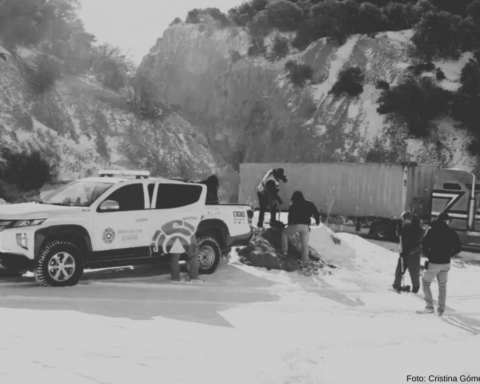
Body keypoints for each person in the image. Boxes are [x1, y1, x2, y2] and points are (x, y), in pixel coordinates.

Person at [419, 212, 461, 316]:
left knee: (425, 282)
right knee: (442, 286)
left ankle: (429, 307)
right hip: (446, 263)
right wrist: (448, 255)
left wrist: (430, 255)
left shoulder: (431, 230)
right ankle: (440, 310)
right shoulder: (451, 232)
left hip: (434, 262)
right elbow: (458, 248)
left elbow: (423, 245)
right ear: (446, 221)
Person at [281, 190, 320, 264]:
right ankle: (304, 261)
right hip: (305, 227)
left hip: (296, 225)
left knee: (284, 233)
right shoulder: (309, 203)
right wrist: (317, 221)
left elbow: (290, 217)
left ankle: (284, 251)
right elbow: (316, 212)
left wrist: (289, 225)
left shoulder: (292, 205)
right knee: (305, 244)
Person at [392, 211, 423, 293]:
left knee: (414, 272)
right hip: (404, 253)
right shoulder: (404, 226)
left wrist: (408, 252)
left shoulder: (418, 229)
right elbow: (400, 235)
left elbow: (417, 245)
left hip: (414, 255)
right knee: (399, 270)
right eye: (404, 220)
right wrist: (398, 229)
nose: (406, 222)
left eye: (408, 220)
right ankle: (397, 285)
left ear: (412, 219)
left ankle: (415, 288)